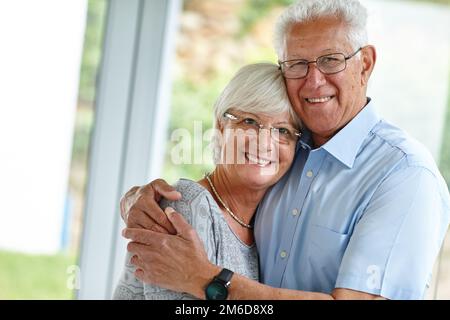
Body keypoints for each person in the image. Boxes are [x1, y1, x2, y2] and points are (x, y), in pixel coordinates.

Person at [120, 0, 450, 300]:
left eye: (331, 60)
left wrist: (207, 278)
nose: (313, 81)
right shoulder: (292, 148)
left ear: (365, 63)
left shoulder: (405, 175)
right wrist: (142, 198)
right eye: (296, 64)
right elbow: (218, 195)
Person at [113, 63, 302, 299]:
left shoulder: (264, 226)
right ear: (221, 127)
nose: (265, 143)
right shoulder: (188, 206)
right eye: (250, 122)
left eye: (282, 131)